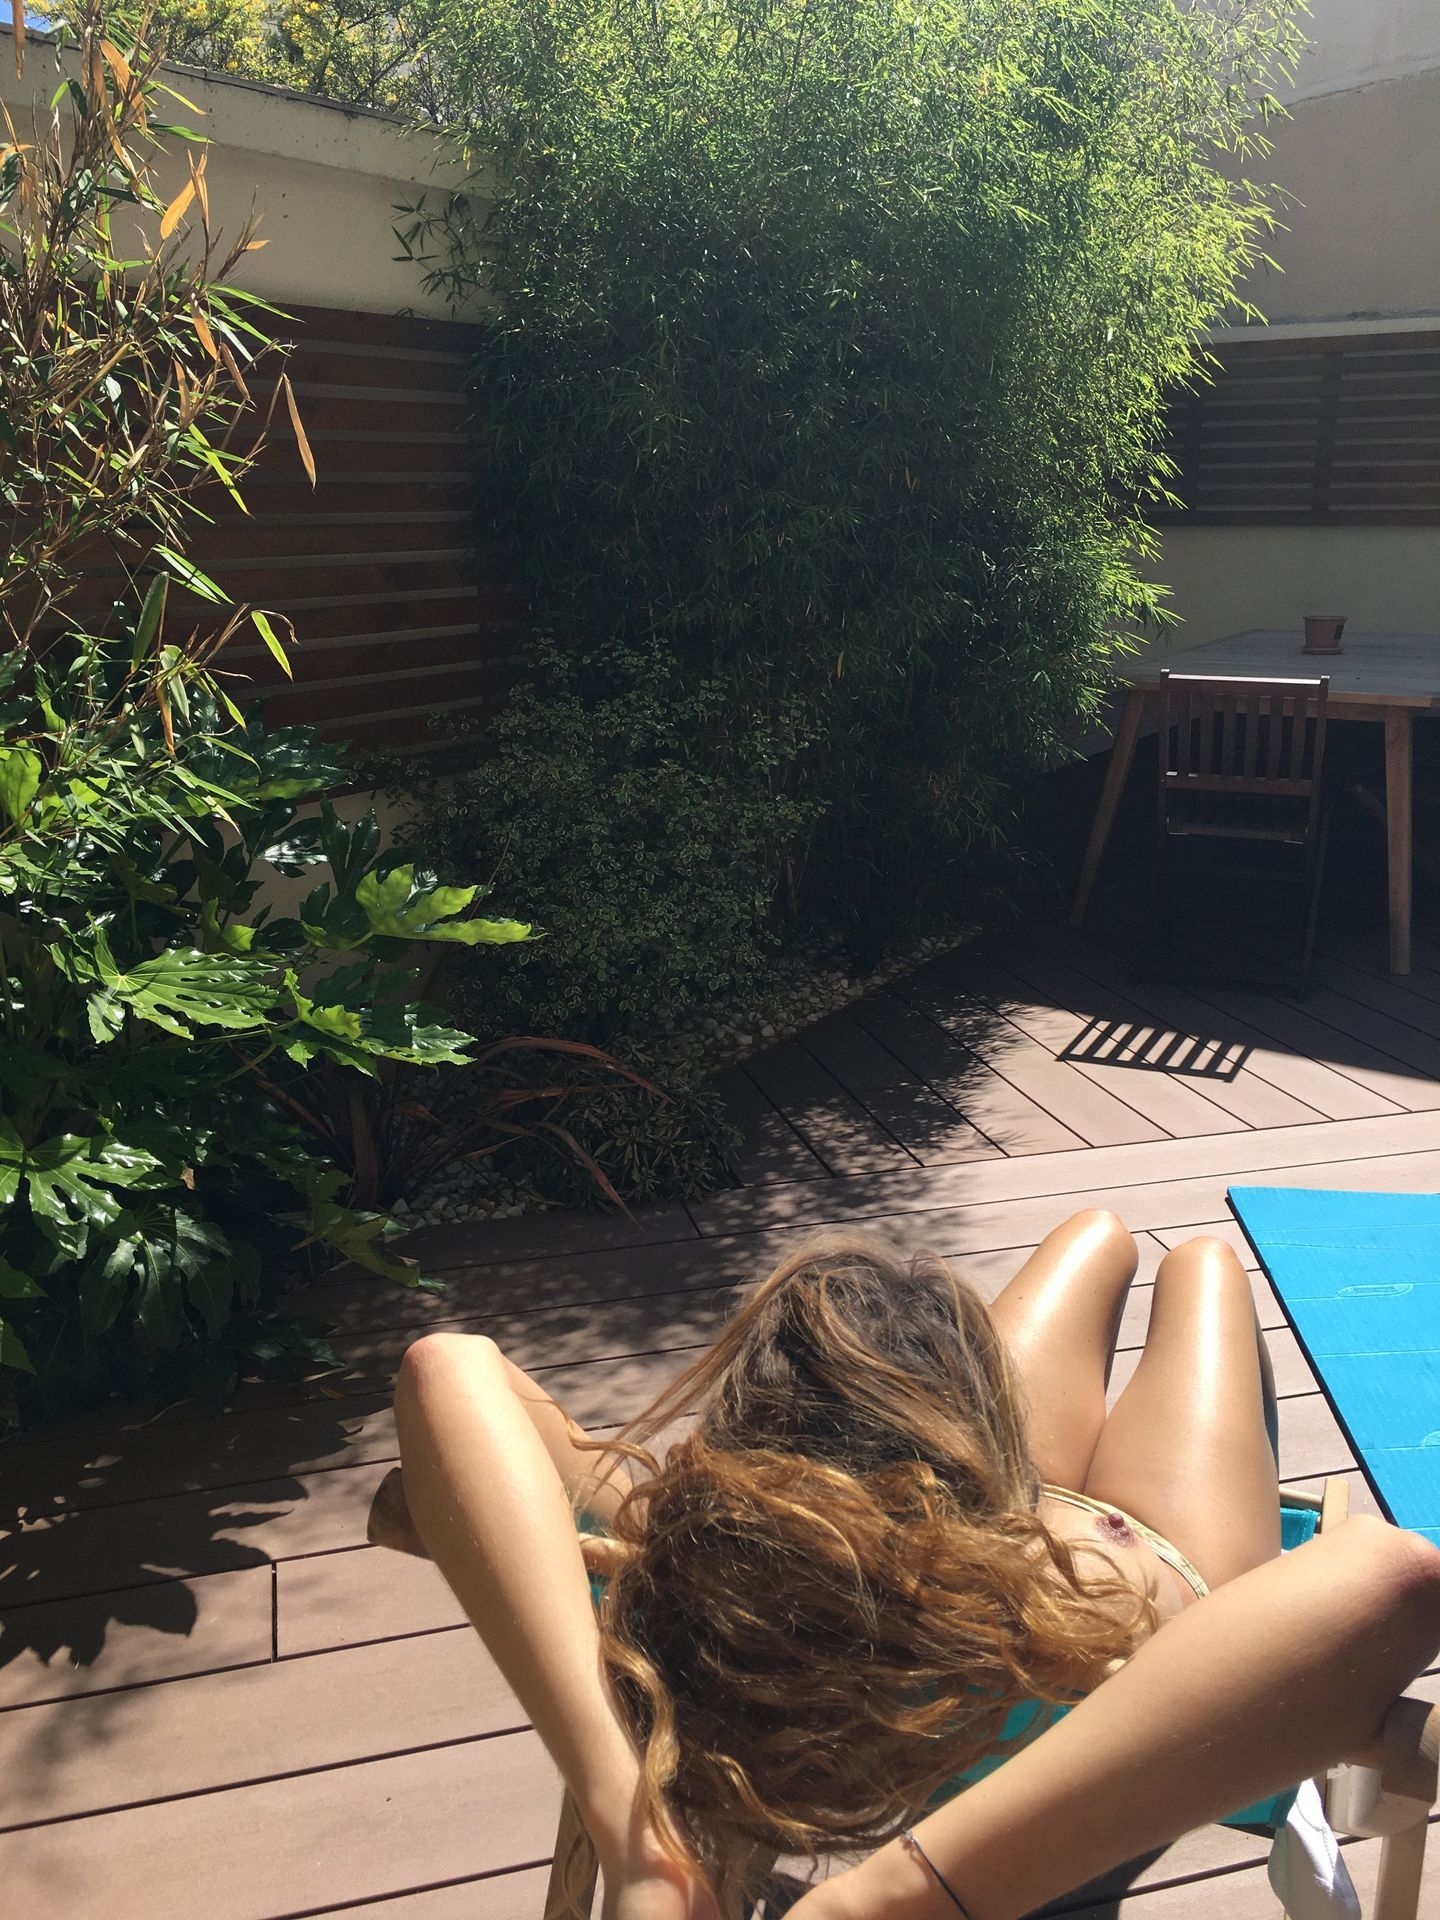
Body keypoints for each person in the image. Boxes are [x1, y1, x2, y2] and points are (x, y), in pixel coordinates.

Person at [379, 1210, 1440, 1920]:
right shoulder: (1073, 1663)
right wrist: (902, 1900)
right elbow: (1394, 1572)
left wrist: (636, 1822)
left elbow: (449, 1368)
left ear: (744, 1467)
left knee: (1095, 1240)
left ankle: (960, 1408)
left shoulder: (692, 1584)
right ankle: (1160, 1271)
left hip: (985, 1527)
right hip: (1122, 1556)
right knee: (1196, 1265)